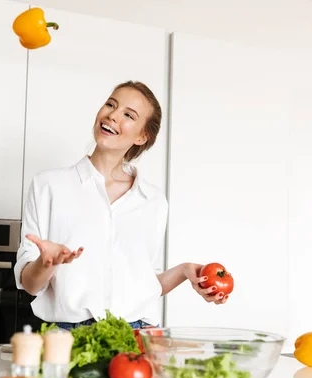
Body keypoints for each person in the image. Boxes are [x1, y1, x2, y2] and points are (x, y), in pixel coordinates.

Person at [14, 81, 228, 330]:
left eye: (128, 115)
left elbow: (146, 285)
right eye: (111, 105)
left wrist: (184, 271)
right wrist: (46, 262)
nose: (112, 115)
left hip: (135, 336)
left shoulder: (153, 200)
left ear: (142, 136)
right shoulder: (48, 186)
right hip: (66, 337)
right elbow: (30, 284)